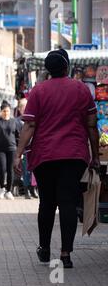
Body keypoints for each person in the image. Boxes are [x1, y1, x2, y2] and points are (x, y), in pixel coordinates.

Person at [14, 49, 100, 268]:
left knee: (47, 203)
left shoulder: (39, 91)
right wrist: (95, 156)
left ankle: (44, 248)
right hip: (74, 154)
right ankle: (65, 254)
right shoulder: (81, 89)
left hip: (45, 155)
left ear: (47, 70)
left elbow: (30, 125)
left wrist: (18, 154)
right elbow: (91, 125)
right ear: (67, 67)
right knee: (68, 203)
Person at [0, 102, 22, 200]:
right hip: (0, 150)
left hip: (12, 149)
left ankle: (9, 191)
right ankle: (2, 188)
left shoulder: (14, 122)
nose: (6, 113)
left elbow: (18, 137)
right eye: (4, 111)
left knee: (10, 170)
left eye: (7, 111)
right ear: (1, 112)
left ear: (10, 111)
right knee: (2, 169)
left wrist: (20, 152)